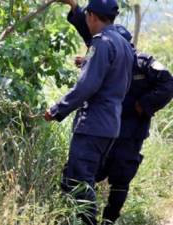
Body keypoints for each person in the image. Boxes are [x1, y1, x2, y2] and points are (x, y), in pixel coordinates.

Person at [56, 0, 173, 224]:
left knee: (121, 175)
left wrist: (142, 106)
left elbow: (168, 83)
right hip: (107, 124)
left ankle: (108, 220)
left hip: (130, 128)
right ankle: (76, 216)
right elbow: (93, 29)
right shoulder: (108, 46)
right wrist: (75, 9)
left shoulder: (141, 61)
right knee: (81, 174)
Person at [43, 0, 134, 224]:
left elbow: (86, 86)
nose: (86, 19)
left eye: (86, 16)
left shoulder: (102, 43)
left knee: (79, 182)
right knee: (75, 179)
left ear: (92, 16)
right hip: (110, 125)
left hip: (93, 124)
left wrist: (56, 109)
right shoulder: (123, 44)